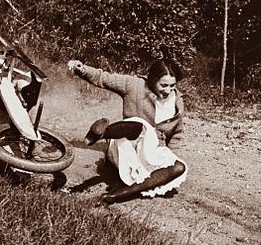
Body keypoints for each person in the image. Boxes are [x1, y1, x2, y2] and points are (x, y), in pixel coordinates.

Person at [67, 58, 187, 204]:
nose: (168, 91)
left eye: (172, 86)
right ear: (153, 79)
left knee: (179, 167)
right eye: (163, 85)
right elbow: (103, 78)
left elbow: (176, 134)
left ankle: (116, 195)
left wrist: (168, 157)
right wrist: (82, 69)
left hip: (149, 151)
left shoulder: (177, 103)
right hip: (124, 143)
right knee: (141, 125)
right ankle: (103, 133)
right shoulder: (135, 85)